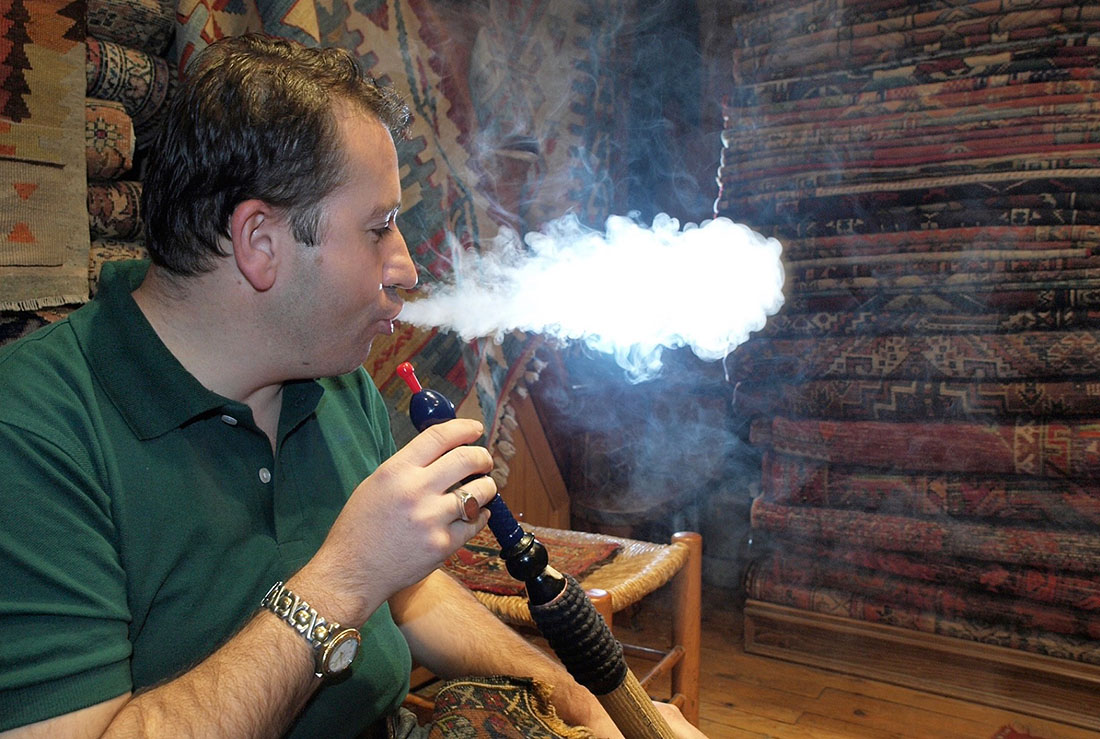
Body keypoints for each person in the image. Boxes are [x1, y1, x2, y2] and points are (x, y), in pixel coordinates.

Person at [0, 34, 704, 738]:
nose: (406, 269)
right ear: (260, 243)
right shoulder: (34, 431)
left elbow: (410, 593)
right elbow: (361, 579)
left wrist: (575, 698)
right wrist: (343, 578)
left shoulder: (333, 382)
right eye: (379, 228)